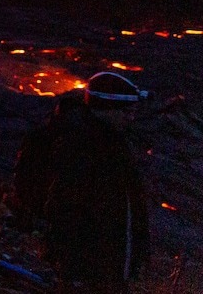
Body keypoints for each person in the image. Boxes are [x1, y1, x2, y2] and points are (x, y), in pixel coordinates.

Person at [12, 73, 149, 293]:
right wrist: (74, 263)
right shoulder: (86, 147)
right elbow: (66, 206)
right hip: (91, 265)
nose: (131, 118)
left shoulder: (106, 142)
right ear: (107, 109)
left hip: (101, 263)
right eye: (126, 111)